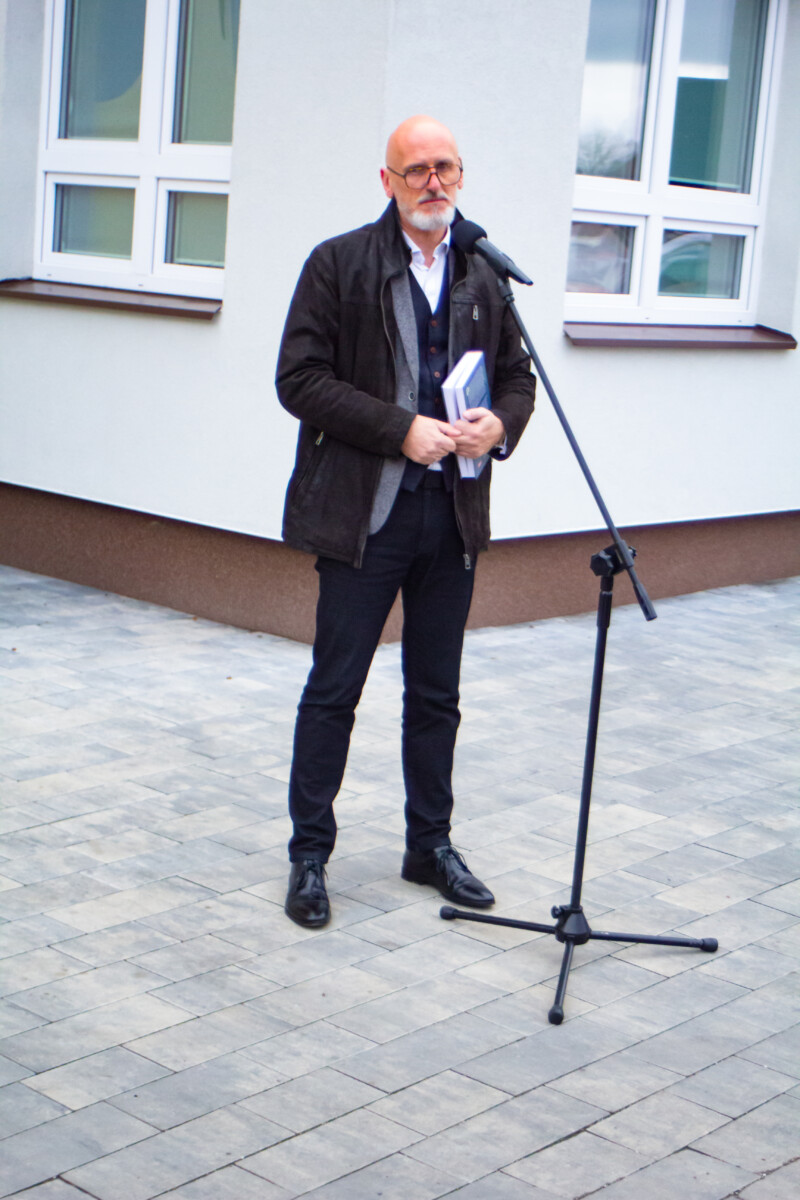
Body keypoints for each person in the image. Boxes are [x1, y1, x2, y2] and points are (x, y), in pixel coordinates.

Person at [276, 115, 535, 927]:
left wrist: (500, 424)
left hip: (452, 515)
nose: (433, 182)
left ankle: (430, 846)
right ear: (386, 181)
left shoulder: (483, 272)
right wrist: (400, 430)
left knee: (436, 695)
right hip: (366, 516)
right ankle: (310, 856)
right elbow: (299, 379)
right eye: (416, 168)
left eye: (445, 167)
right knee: (334, 690)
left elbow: (519, 378)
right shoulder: (339, 264)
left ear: (462, 175)